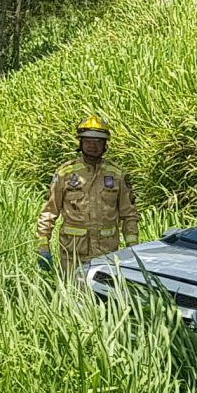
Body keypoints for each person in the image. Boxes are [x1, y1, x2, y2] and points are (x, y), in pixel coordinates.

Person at [34, 115, 138, 275]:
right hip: (73, 256)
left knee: (105, 298)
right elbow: (49, 211)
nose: (93, 146)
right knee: (73, 297)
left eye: (98, 142)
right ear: (80, 143)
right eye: (88, 141)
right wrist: (43, 246)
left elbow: (129, 214)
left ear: (105, 145)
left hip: (107, 255)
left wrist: (133, 248)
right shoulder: (65, 173)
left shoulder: (117, 175)